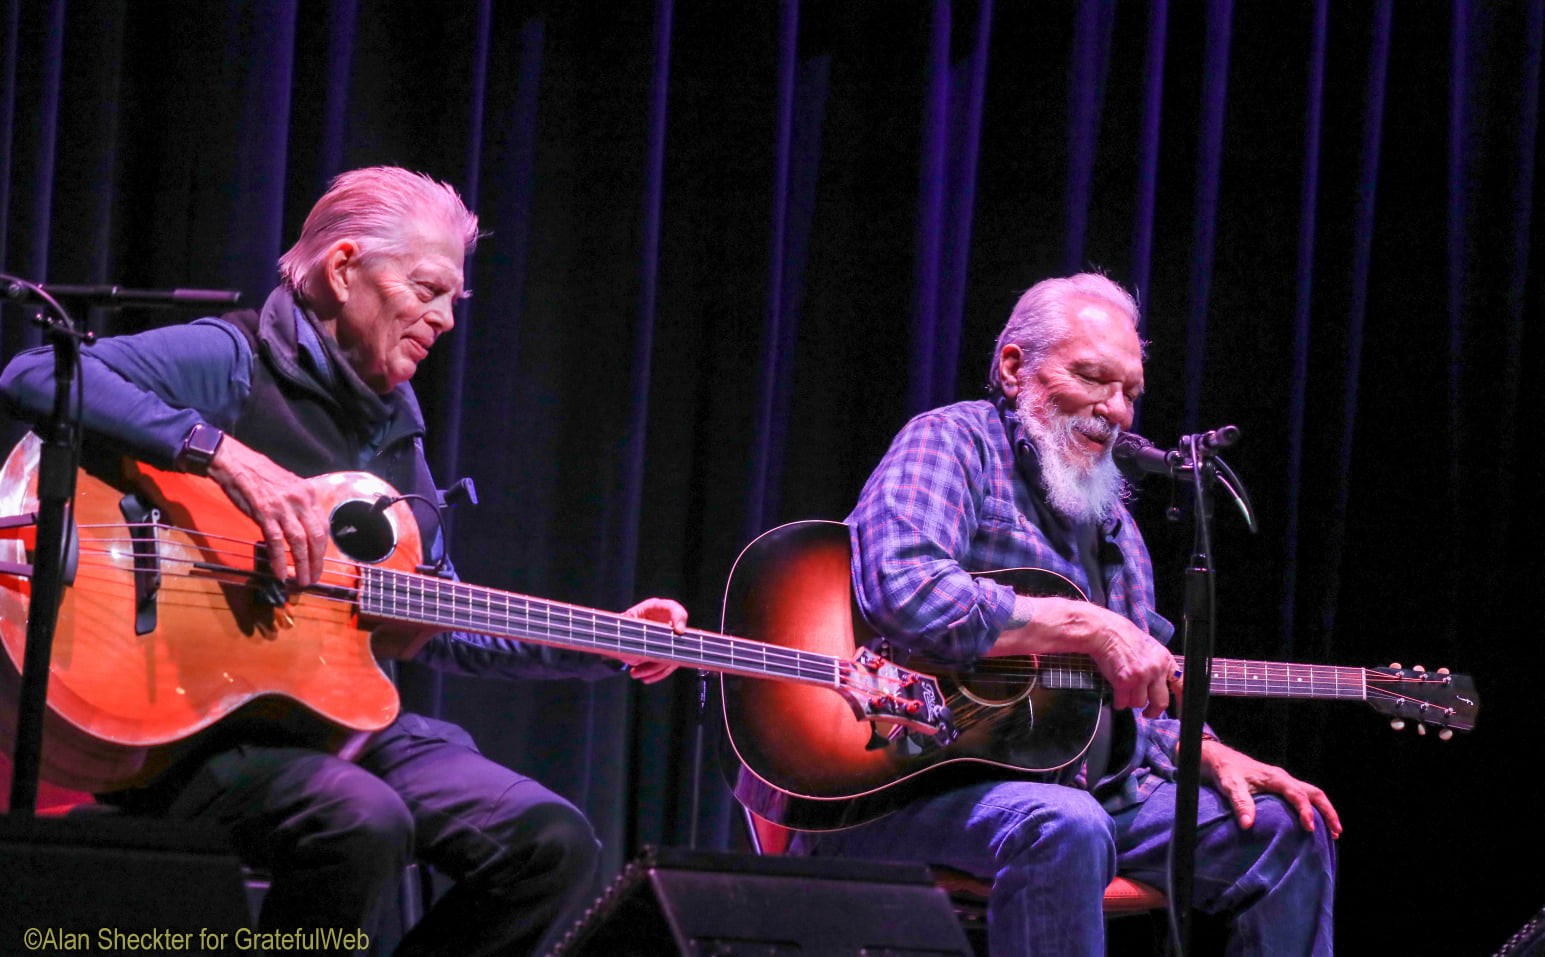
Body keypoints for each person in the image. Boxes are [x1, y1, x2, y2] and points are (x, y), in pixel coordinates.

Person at [0, 166, 681, 956]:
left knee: (550, 840)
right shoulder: (233, 358)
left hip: (327, 726)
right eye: (426, 288)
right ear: (343, 266)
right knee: (362, 819)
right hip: (188, 728)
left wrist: (603, 642)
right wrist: (224, 457)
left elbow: (438, 616)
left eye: (452, 301)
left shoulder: (396, 433)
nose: (443, 318)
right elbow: (35, 374)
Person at [797, 273, 1339, 954]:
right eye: (1092, 377)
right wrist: (1088, 626)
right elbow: (903, 590)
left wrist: (1203, 747)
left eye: (1129, 393)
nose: (1114, 410)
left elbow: (1135, 701)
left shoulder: (1115, 528)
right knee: (1065, 822)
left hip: (1089, 794)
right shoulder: (952, 443)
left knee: (1286, 829)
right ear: (1014, 366)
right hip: (909, 786)